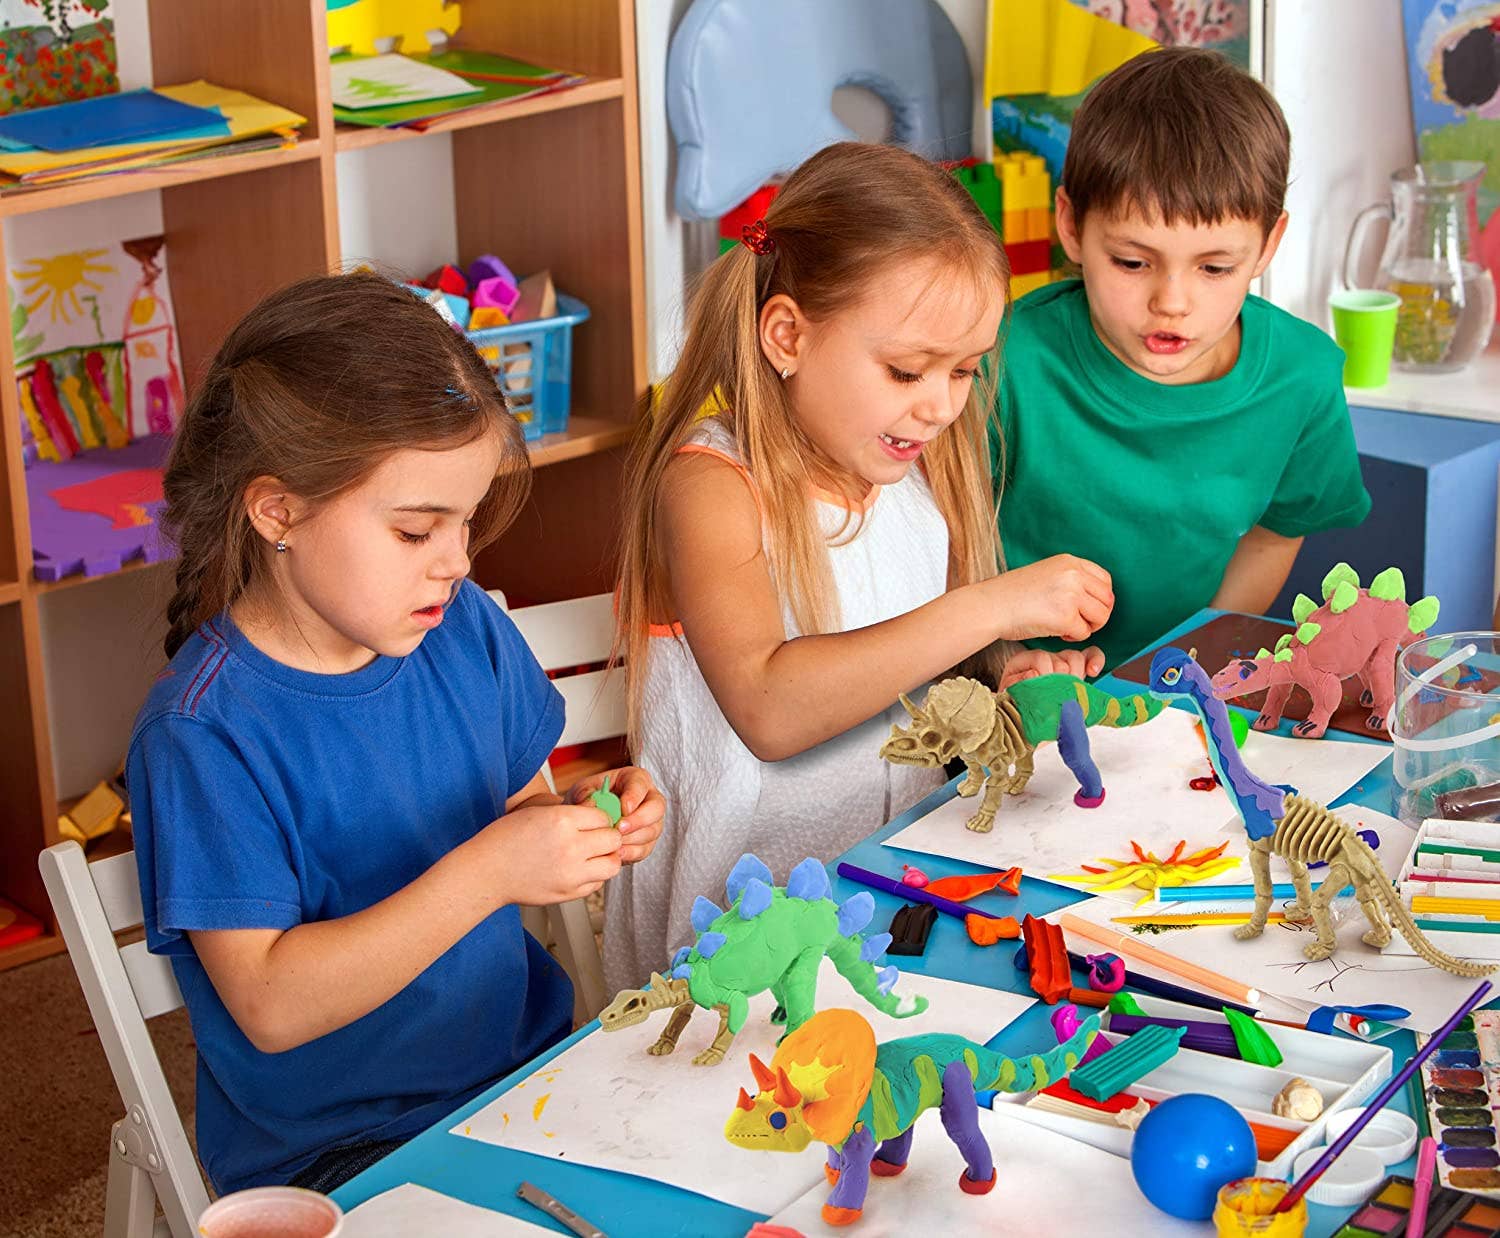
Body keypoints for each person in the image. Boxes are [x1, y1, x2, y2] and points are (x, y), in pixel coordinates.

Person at [126, 272, 664, 1194]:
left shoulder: (461, 628)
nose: (457, 561)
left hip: (525, 1071)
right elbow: (271, 1004)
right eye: (416, 532)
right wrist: (490, 870)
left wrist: (584, 819)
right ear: (278, 511)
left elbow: (519, 813)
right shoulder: (202, 734)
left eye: (465, 522)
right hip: (342, 1147)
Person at [606, 142, 1114, 994]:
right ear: (788, 336)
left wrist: (996, 688)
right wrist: (988, 608)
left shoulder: (914, 471)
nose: (941, 404)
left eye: (965, 370)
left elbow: (904, 687)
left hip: (886, 900)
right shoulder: (711, 484)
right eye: (907, 370)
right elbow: (770, 708)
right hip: (729, 947)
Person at [996, 47, 1370, 670]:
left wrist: (1184, 666)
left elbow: (1275, 533)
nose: (1171, 302)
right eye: (1132, 262)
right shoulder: (999, 362)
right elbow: (935, 548)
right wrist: (1003, 657)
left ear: (1268, 245)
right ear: (1071, 226)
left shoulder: (1303, 378)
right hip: (998, 681)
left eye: (1215, 268)